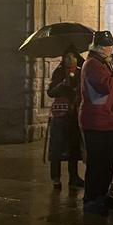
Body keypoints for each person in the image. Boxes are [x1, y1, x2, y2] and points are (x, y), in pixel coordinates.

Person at [79, 30, 113, 215]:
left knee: (107, 162)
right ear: (101, 47)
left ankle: (101, 195)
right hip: (97, 121)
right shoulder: (93, 64)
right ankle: (92, 199)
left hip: (109, 120)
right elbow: (107, 86)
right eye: (110, 45)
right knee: (97, 163)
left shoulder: (104, 63)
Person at [46, 51, 85, 189]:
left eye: (72, 56)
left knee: (73, 147)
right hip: (61, 114)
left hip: (75, 114)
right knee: (57, 146)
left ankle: (73, 177)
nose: (69, 59)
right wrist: (62, 84)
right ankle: (55, 177)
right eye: (67, 57)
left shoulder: (82, 72)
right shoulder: (59, 72)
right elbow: (50, 92)